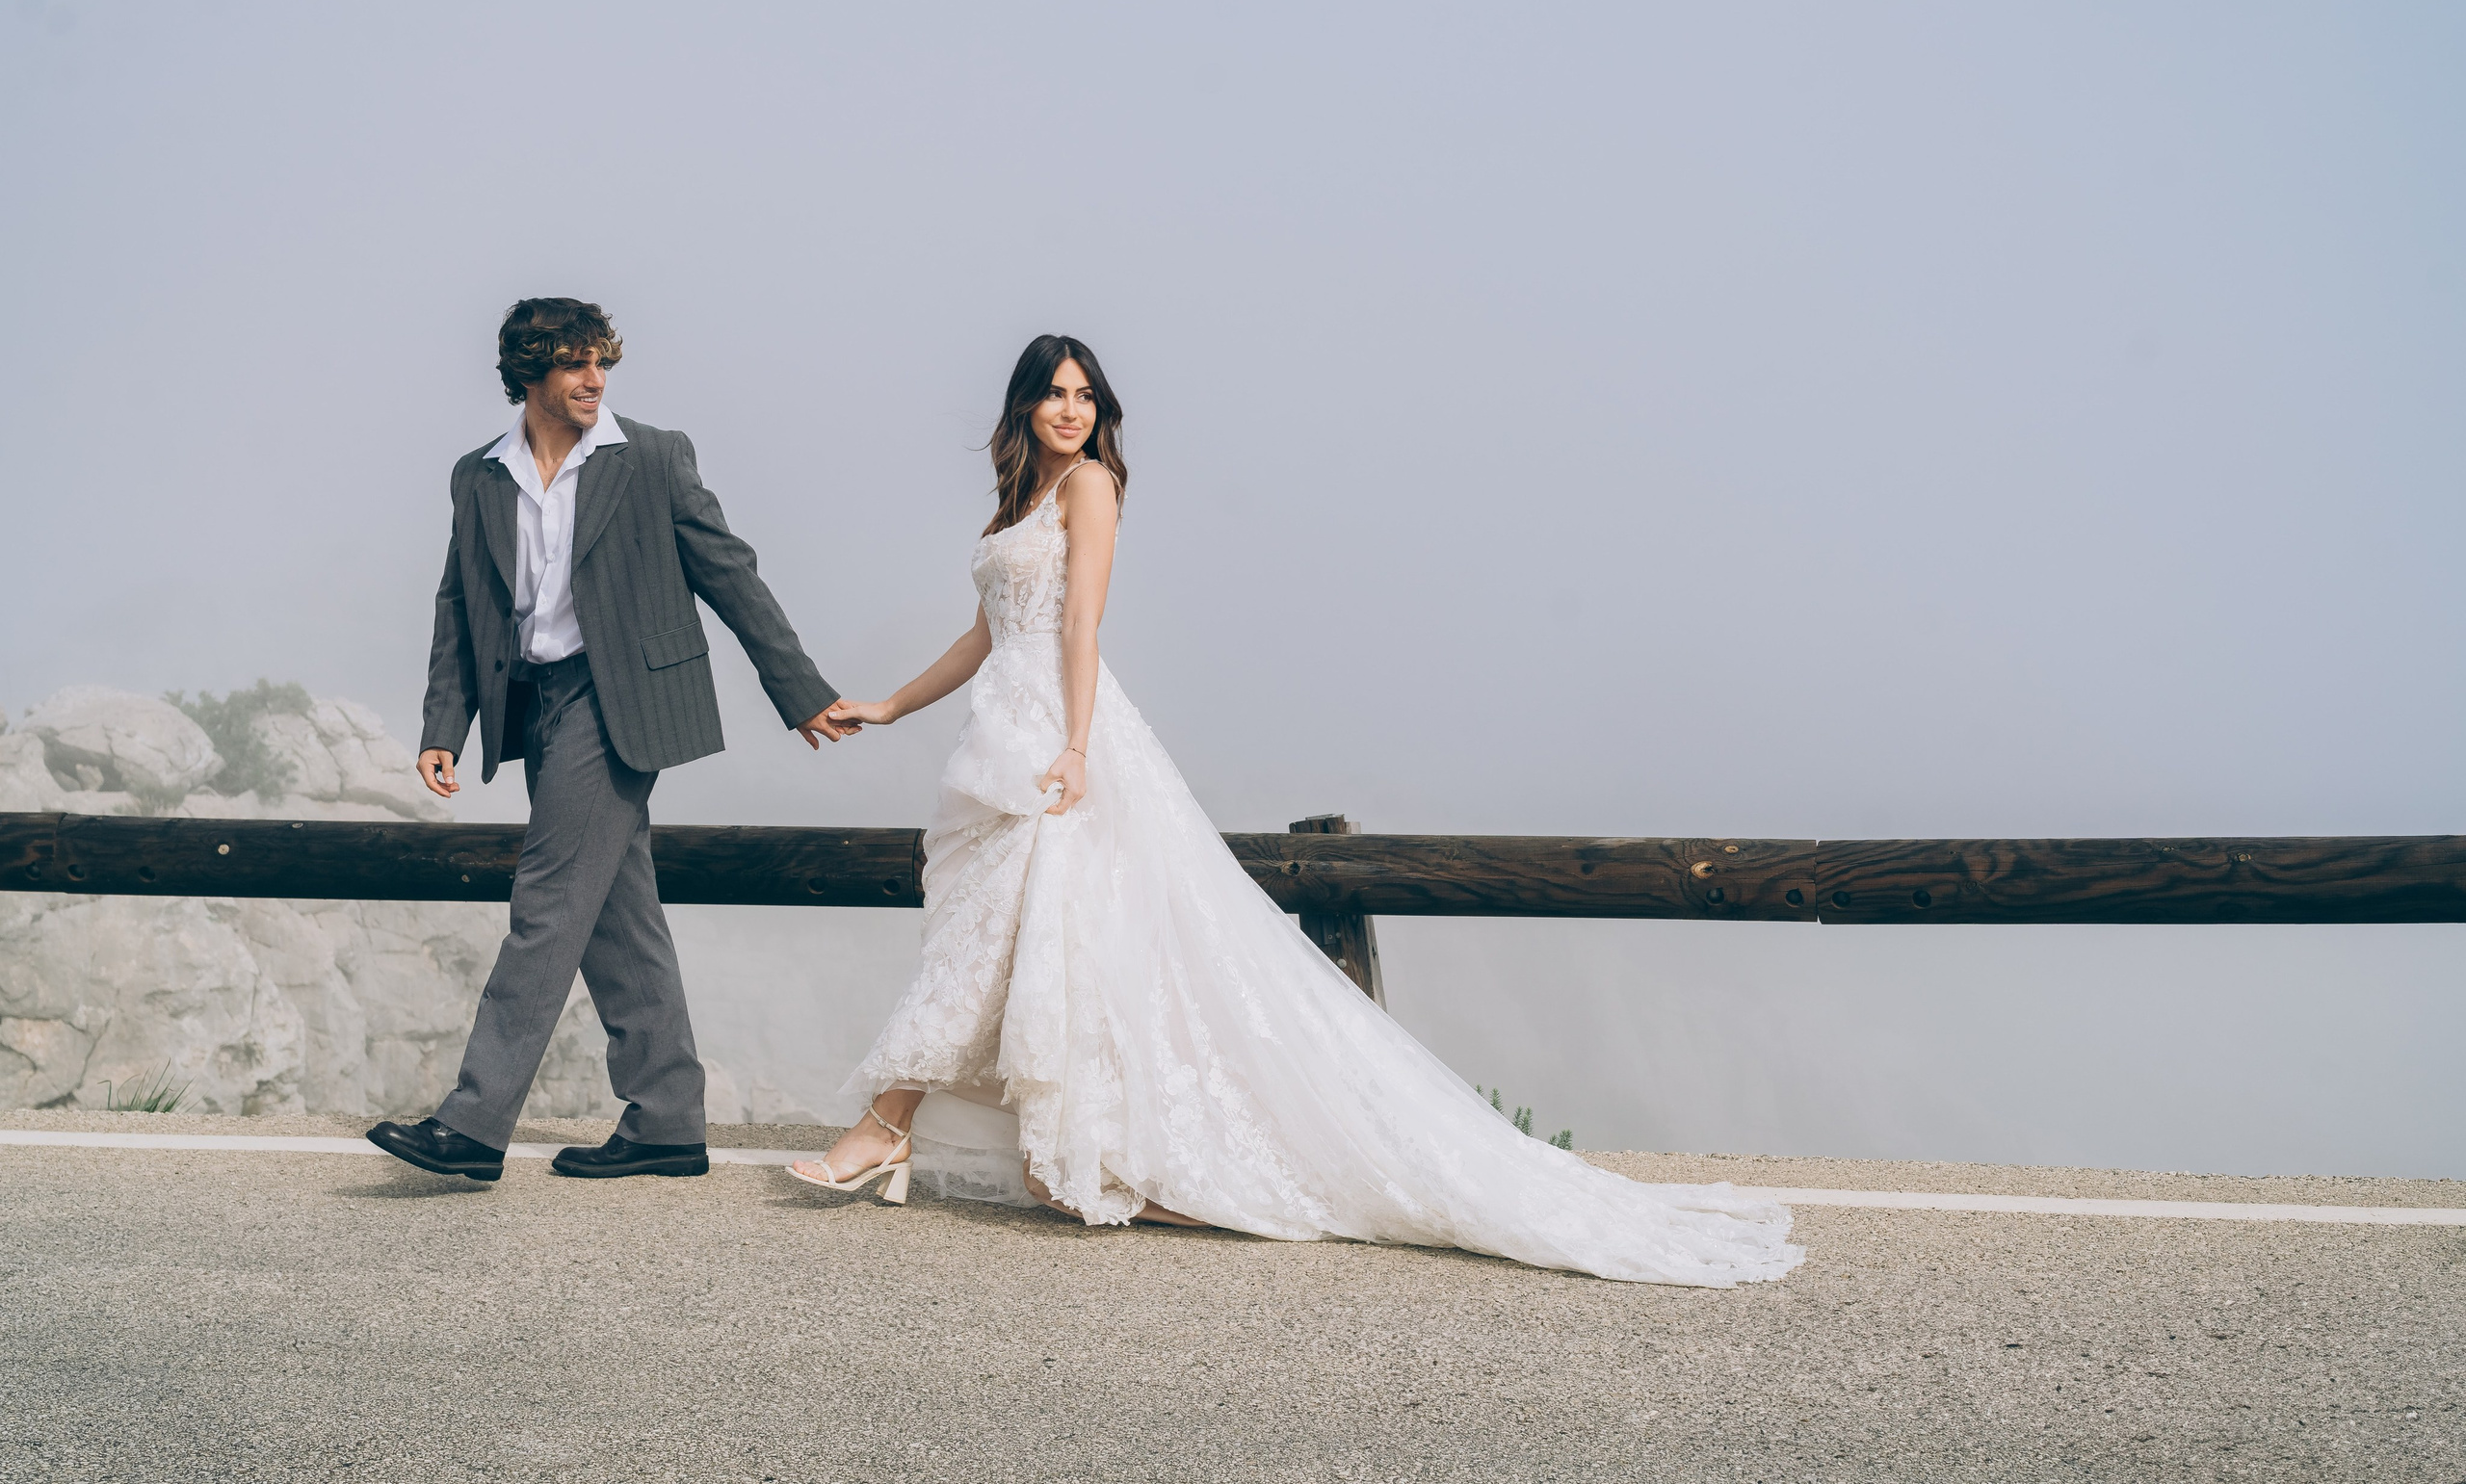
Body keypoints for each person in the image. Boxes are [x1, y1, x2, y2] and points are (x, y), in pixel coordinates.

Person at [788, 335, 1803, 1286]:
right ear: (1022, 404)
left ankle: (891, 1130)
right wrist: (886, 703)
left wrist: (1077, 745)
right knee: (1008, 943)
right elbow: (985, 636)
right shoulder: (1020, 500)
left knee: (998, 940)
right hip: (1002, 731)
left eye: (1084, 395)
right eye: (1053, 393)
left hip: (1056, 743)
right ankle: (1065, 1155)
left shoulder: (1091, 487)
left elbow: (1083, 624)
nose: (1069, 409)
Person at [369, 298, 852, 1184]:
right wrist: (446, 725)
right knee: (618, 915)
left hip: (617, 698)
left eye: (603, 363)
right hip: (535, 702)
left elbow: (728, 571)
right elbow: (458, 605)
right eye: (576, 363)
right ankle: (668, 1120)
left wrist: (800, 689)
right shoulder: (478, 475)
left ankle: (473, 1125)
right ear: (530, 372)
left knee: (548, 900)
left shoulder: (653, 457)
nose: (596, 379)